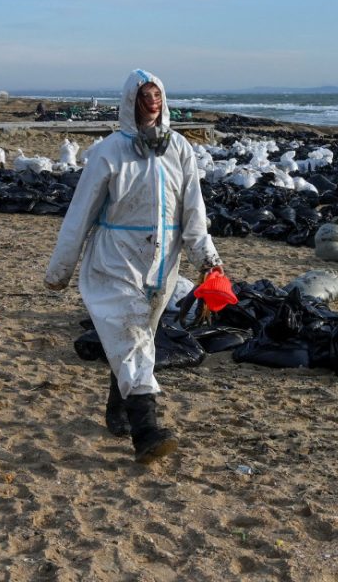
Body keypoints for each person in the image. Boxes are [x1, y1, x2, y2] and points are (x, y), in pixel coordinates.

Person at [44, 69, 222, 464]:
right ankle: (146, 431)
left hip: (162, 265)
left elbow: (194, 213)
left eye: (157, 95)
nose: (152, 102)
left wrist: (210, 262)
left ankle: (118, 409)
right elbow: (80, 214)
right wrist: (60, 270)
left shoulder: (179, 149)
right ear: (130, 101)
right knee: (132, 334)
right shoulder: (108, 152)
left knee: (139, 337)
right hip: (116, 260)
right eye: (144, 96)